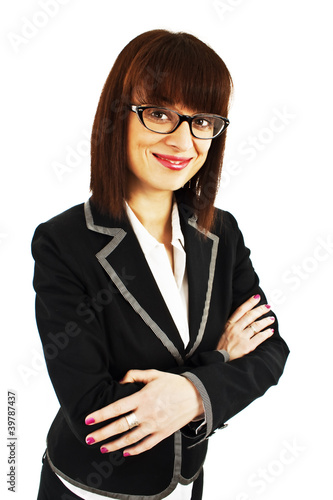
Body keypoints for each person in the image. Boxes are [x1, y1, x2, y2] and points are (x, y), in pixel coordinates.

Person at [32, 29, 289, 500]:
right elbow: (91, 409)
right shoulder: (64, 243)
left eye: (202, 121)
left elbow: (272, 354)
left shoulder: (221, 233)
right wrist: (217, 365)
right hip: (89, 490)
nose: (183, 140)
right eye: (159, 114)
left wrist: (189, 393)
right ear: (120, 116)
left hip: (185, 486)